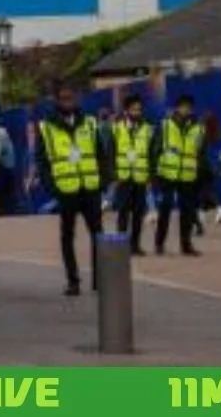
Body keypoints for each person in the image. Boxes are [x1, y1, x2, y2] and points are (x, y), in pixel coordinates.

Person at [37, 88, 103, 296]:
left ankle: (100, 280)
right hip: (66, 190)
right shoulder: (46, 127)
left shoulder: (90, 123)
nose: (68, 101)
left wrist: (102, 182)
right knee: (67, 236)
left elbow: (101, 153)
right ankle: (73, 281)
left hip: (90, 188)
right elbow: (42, 162)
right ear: (57, 101)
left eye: (71, 97)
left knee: (98, 235)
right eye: (64, 98)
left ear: (77, 99)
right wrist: (53, 188)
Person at [153, 94, 204, 257]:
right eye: (183, 106)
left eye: (188, 107)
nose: (186, 109)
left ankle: (186, 244)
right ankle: (159, 243)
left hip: (188, 175)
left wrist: (200, 173)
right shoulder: (165, 125)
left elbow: (200, 151)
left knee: (187, 212)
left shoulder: (198, 127)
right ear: (176, 108)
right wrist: (155, 174)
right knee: (165, 209)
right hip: (168, 174)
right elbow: (156, 149)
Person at [111, 94, 155, 257]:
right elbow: (111, 152)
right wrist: (114, 174)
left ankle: (135, 245)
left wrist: (150, 175)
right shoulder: (116, 128)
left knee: (138, 213)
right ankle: (122, 246)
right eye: (134, 109)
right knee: (123, 213)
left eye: (139, 109)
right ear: (126, 111)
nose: (137, 112)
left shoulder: (147, 129)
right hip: (123, 178)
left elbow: (151, 153)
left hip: (140, 177)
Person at [0, 124, 18, 215]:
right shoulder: (7, 137)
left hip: (3, 171)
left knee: (2, 198)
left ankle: (2, 214)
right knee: (8, 199)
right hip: (9, 170)